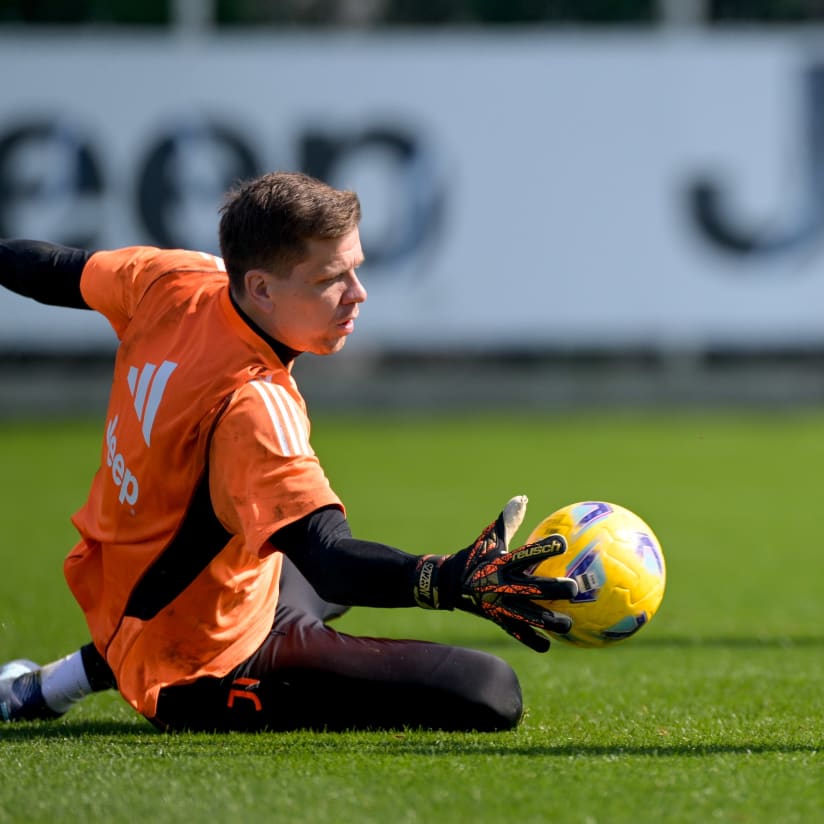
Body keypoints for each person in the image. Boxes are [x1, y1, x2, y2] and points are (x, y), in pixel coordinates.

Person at [0, 170, 577, 732]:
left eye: (357, 268)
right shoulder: (253, 406)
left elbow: (48, 270)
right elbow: (330, 561)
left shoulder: (176, 279)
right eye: (332, 278)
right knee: (490, 690)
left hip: (129, 588)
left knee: (319, 555)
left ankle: (52, 684)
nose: (358, 294)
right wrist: (451, 579)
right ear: (262, 287)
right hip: (200, 664)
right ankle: (108, 673)